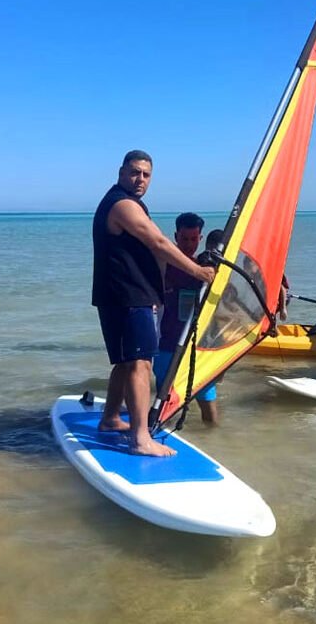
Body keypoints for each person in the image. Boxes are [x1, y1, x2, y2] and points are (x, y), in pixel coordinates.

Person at [92, 151, 216, 456]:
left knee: (126, 362)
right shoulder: (122, 204)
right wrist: (198, 271)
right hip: (128, 296)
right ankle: (140, 438)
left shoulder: (128, 203)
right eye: (135, 172)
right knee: (141, 364)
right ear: (121, 172)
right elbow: (158, 242)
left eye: (146, 175)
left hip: (124, 295)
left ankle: (110, 418)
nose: (140, 179)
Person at [152, 214, 220, 425]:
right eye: (184, 239)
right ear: (175, 237)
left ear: (201, 239)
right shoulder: (165, 263)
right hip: (167, 345)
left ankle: (213, 438)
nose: (189, 244)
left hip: (197, 348)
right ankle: (158, 433)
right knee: (164, 403)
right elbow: (155, 244)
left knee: (208, 404)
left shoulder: (207, 268)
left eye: (193, 239)